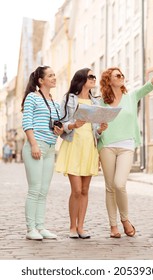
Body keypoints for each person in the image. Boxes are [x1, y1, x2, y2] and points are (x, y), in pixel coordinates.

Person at [98, 50, 153, 238]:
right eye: (117, 75)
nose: (121, 77)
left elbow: (152, 84)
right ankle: (113, 226)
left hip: (127, 145)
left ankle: (125, 219)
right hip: (106, 145)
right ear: (109, 81)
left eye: (122, 75)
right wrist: (100, 129)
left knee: (120, 184)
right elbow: (97, 128)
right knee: (110, 187)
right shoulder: (101, 102)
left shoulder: (132, 96)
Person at [55, 68, 108, 239]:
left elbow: (96, 132)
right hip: (74, 146)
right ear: (81, 79)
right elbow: (60, 124)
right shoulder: (69, 99)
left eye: (94, 76)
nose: (94, 79)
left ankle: (81, 227)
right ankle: (72, 227)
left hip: (89, 147)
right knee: (76, 190)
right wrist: (73, 125)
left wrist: (100, 129)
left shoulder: (96, 102)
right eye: (90, 76)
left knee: (85, 190)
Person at [21, 65, 64, 240]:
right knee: (35, 189)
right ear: (41, 80)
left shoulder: (54, 103)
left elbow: (57, 124)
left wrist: (58, 130)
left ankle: (40, 226)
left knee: (44, 190)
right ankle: (31, 228)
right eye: (51, 75)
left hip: (50, 148)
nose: (54, 78)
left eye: (55, 75)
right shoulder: (32, 97)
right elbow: (27, 123)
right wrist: (33, 145)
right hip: (36, 146)